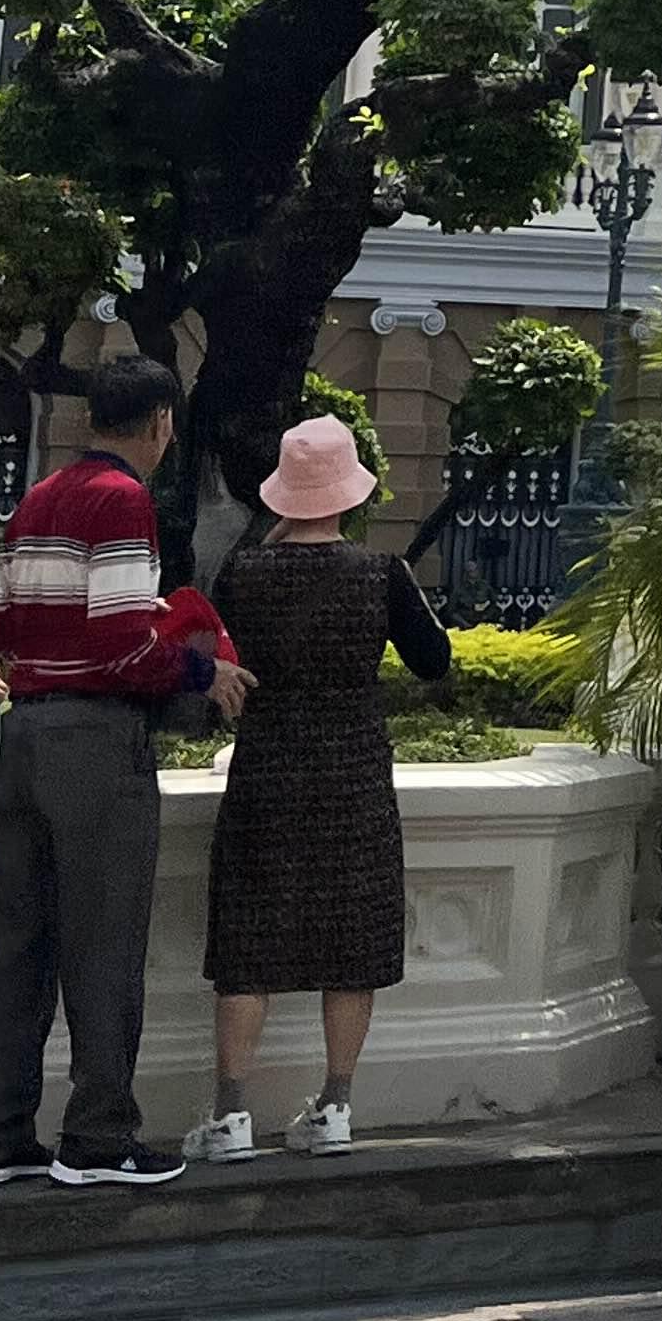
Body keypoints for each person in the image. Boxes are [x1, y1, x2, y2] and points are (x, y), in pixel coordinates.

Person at [0, 352, 254, 1192]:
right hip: (95, 741)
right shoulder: (123, 500)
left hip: (26, 735)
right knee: (104, 942)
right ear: (161, 422)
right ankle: (96, 1139)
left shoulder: (39, 499)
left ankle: (0, 1135)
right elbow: (124, 646)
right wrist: (202, 669)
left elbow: (1, 628)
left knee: (21, 945)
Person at [180, 414, 455, 1164]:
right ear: (353, 493)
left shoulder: (242, 573)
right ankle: (334, 1107)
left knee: (247, 941)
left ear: (282, 494)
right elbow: (434, 661)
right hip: (353, 776)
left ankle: (231, 1116)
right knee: (352, 942)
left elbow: (211, 647)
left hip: (267, 772)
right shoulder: (381, 575)